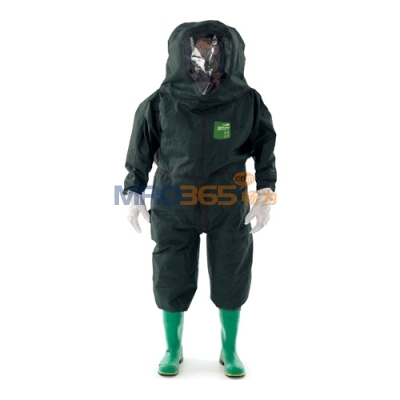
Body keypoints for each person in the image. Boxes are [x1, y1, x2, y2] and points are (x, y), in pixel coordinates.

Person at [123, 20, 277, 378]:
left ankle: (229, 349)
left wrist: (266, 191)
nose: (207, 58)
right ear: (183, 54)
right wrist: (133, 190)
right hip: (174, 200)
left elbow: (264, 146)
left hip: (228, 200)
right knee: (171, 273)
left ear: (229, 54)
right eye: (199, 50)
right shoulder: (162, 102)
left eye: (214, 50)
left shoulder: (246, 101)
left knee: (232, 272)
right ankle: (173, 349)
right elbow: (140, 147)